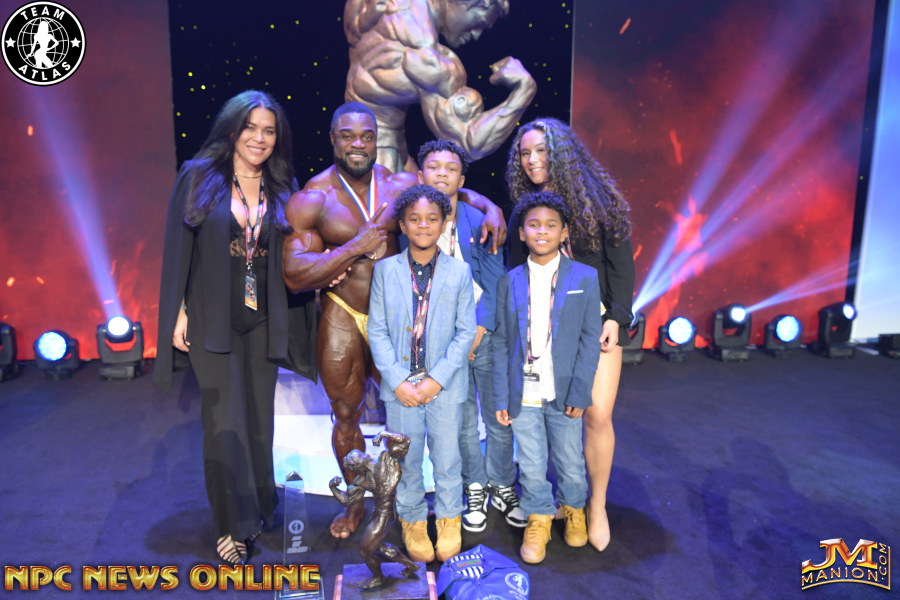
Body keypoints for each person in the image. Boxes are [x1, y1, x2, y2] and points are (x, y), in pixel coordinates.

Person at [283, 102, 505, 539]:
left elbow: (446, 192)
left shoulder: (400, 184)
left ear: (377, 141)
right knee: (345, 413)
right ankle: (356, 504)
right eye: (348, 136)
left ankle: (411, 508)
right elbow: (293, 275)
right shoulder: (314, 197)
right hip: (345, 310)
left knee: (413, 410)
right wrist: (352, 248)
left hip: (402, 313)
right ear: (332, 139)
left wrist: (490, 205)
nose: (358, 144)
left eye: (367, 136)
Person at [155, 90, 311, 565]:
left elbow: (297, 251)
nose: (259, 139)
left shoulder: (283, 184)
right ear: (232, 130)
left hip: (263, 318)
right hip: (211, 317)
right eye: (250, 128)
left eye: (269, 131)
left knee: (260, 423)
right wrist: (179, 309)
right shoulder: (199, 176)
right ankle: (230, 524)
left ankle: (259, 504)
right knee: (225, 423)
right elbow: (179, 248)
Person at [505, 117, 635, 552]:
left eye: (541, 150)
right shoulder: (525, 210)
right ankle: (554, 505)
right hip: (542, 331)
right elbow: (514, 271)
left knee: (596, 414)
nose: (532, 160)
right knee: (546, 420)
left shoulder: (601, 202)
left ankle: (594, 506)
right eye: (525, 153)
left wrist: (616, 317)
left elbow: (621, 266)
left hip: (596, 326)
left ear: (561, 152)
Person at [413, 140, 524, 532]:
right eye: (434, 167)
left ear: (462, 180)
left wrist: (476, 333)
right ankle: (474, 486)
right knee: (461, 423)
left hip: (485, 334)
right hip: (441, 343)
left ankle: (502, 484)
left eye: (451, 168)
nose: (442, 174)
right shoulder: (413, 223)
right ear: (420, 175)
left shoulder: (480, 222)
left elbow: (496, 282)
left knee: (498, 417)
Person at [492, 191, 602, 564]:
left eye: (551, 225)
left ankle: (573, 509)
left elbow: (589, 339)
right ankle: (538, 517)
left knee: (570, 457)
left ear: (564, 232)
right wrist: (501, 396)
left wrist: (581, 391)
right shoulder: (509, 281)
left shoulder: (586, 277)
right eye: (534, 225)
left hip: (564, 388)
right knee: (531, 459)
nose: (542, 232)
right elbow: (501, 342)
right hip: (523, 388)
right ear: (522, 233)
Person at [368, 184, 476, 563]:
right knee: (406, 460)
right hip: (402, 387)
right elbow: (376, 330)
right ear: (402, 225)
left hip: (443, 386)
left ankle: (449, 519)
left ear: (444, 223)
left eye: (432, 219)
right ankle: (412, 519)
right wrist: (398, 380)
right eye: (415, 219)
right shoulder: (385, 271)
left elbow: (466, 331)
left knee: (447, 459)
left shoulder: (460, 272)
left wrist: (437, 379)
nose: (424, 225)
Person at [343, 0, 536, 173]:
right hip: (381, 163)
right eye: (480, 24)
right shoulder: (427, 57)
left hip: (350, 146)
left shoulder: (378, 6)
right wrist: (524, 90)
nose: (477, 35)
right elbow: (468, 144)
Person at [329, 431, 418, 590]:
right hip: (377, 513)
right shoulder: (362, 479)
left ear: (358, 464)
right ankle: (410, 566)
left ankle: (378, 578)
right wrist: (333, 488)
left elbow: (405, 440)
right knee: (378, 546)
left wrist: (383, 434)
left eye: (352, 467)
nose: (353, 470)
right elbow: (348, 500)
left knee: (366, 550)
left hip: (385, 515)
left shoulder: (386, 459)